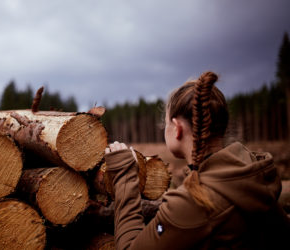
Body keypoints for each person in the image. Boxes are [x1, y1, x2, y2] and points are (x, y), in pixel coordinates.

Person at [104, 71, 290, 249]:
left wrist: (125, 175)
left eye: (165, 122)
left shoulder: (195, 203)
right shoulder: (253, 173)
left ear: (177, 129)